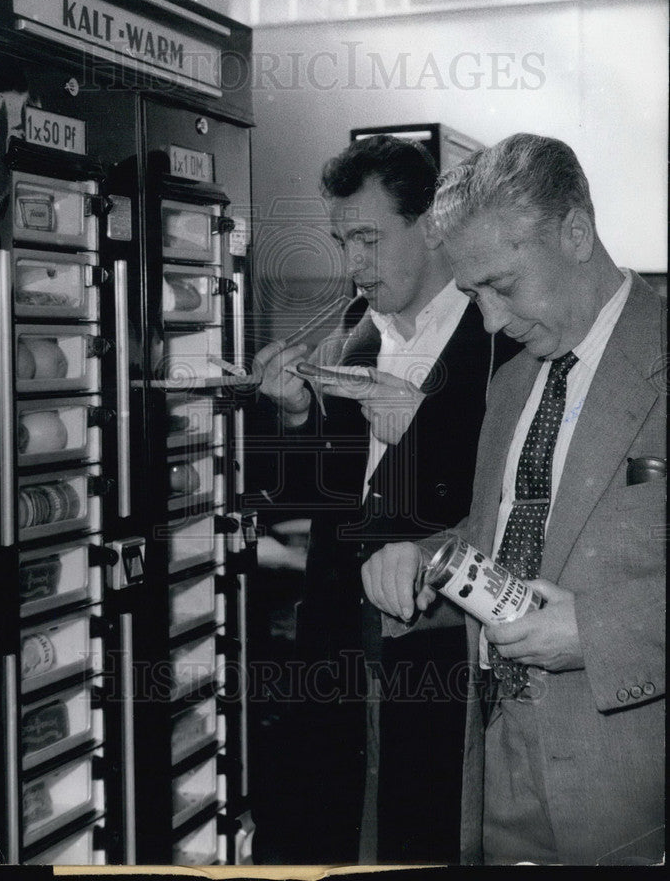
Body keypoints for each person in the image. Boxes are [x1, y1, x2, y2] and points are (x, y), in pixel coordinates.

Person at [361, 133, 666, 866]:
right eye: (471, 296)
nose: (490, 322)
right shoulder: (510, 387)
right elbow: (493, 537)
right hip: (496, 776)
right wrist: (424, 558)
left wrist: (598, 631)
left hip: (634, 792)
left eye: (500, 285)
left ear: (574, 232)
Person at [245, 134, 519, 864]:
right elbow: (329, 498)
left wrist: (418, 431)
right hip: (339, 641)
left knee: (422, 831)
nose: (353, 264)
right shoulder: (351, 338)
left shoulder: (499, 338)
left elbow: (512, 496)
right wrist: (297, 415)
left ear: (430, 225)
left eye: (367, 238)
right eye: (343, 242)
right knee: (330, 827)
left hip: (439, 649)